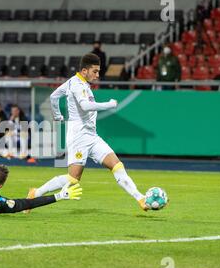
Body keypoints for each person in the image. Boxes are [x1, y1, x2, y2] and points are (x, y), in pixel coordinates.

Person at [29, 53, 150, 211]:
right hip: (78, 136)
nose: (97, 75)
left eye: (98, 71)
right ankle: (35, 194)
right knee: (73, 178)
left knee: (117, 165)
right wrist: (109, 104)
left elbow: (54, 96)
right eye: (95, 71)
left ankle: (140, 198)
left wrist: (58, 116)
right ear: (84, 70)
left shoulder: (74, 82)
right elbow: (85, 106)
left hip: (91, 135)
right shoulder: (78, 85)